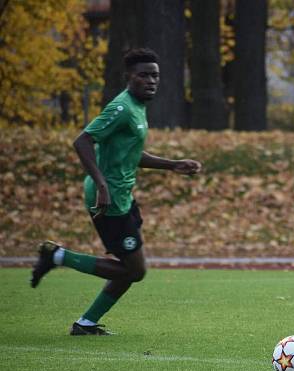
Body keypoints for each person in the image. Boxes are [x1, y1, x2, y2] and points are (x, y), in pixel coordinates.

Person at [30, 48, 202, 336]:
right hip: (108, 200)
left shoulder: (138, 107)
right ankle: (57, 257)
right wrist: (101, 185)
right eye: (144, 75)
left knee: (131, 268)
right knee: (135, 271)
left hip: (122, 197)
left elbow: (131, 153)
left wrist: (172, 165)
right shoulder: (121, 108)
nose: (151, 81)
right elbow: (82, 141)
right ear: (129, 77)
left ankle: (85, 324)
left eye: (155, 76)